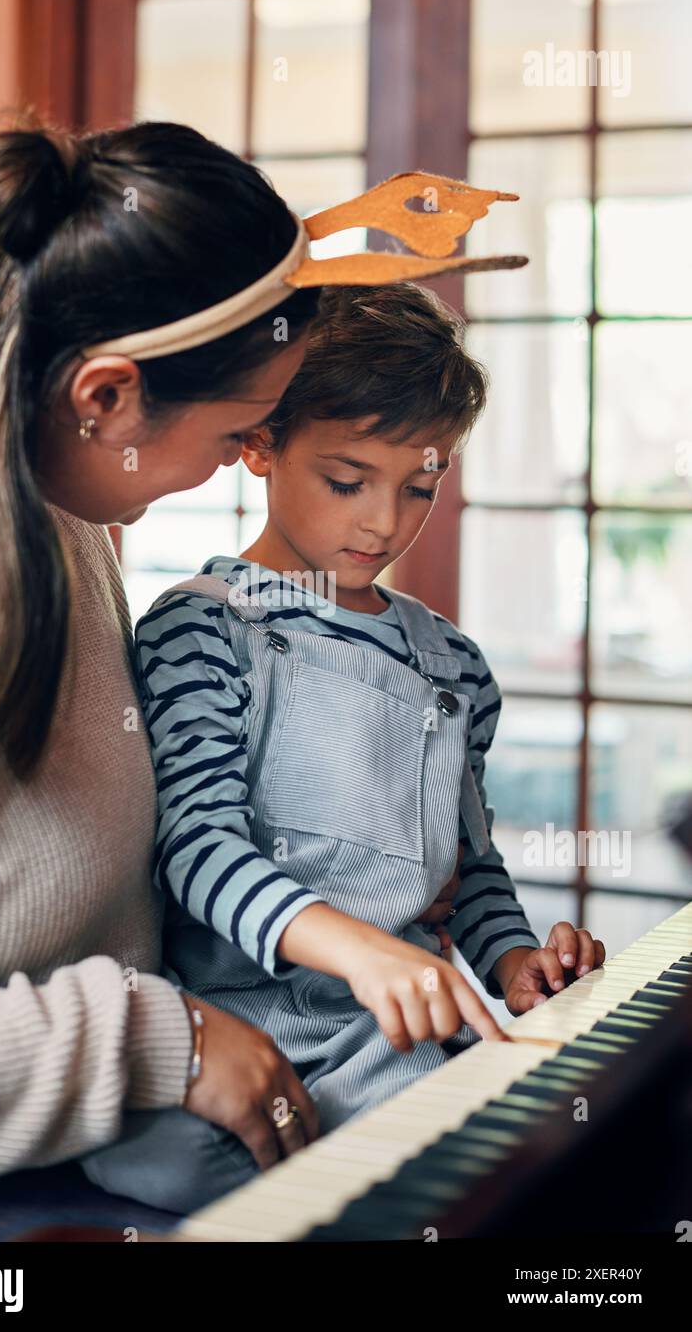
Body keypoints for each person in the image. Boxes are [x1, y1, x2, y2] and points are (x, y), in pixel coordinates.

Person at [0, 112, 334, 1217]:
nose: (243, 463)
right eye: (236, 435)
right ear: (106, 397)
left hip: (89, 1158)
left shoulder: (56, 504)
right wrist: (151, 1039)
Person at [82, 282, 605, 1214]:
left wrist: (518, 963)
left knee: (567, 1134)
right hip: (247, 1020)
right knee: (164, 1151)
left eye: (420, 488)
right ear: (259, 445)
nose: (384, 524)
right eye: (347, 480)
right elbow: (197, 850)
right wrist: (360, 951)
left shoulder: (456, 665)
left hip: (407, 1019)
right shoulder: (203, 627)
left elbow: (472, 872)